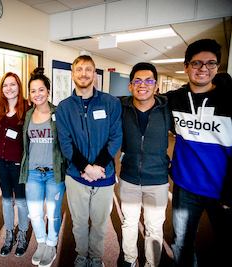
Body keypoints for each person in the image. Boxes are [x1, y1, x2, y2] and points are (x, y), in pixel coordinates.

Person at [166, 39, 232, 267]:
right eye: (197, 63)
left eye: (211, 63)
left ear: (217, 67)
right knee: (182, 244)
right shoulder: (175, 99)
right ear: (186, 66)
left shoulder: (230, 100)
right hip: (186, 187)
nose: (203, 68)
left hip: (223, 190)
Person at [56, 55, 123, 267]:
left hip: (104, 175)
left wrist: (98, 167)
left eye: (88, 69)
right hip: (77, 176)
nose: (84, 73)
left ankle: (95, 257)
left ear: (95, 74)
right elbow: (65, 143)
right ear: (72, 74)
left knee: (100, 223)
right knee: (79, 222)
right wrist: (85, 168)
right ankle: (81, 255)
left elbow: (116, 137)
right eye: (79, 69)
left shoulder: (111, 103)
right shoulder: (64, 107)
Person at [119, 62, 171, 267]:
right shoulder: (121, 107)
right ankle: (129, 259)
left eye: (148, 81)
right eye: (137, 81)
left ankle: (151, 263)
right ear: (130, 86)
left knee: (154, 227)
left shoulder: (167, 109)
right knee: (129, 223)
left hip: (157, 179)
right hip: (129, 177)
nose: (143, 85)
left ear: (156, 86)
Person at [19, 68, 66, 267]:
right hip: (33, 173)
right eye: (33, 91)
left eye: (41, 90)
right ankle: (41, 242)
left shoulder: (58, 113)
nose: (37, 94)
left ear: (48, 91)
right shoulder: (29, 114)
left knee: (53, 213)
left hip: (54, 172)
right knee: (35, 212)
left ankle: (52, 244)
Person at [0, 72, 29, 257]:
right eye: (5, 85)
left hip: (18, 164)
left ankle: (22, 233)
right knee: (6, 200)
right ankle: (9, 234)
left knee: (21, 201)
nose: (9, 88)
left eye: (12, 84)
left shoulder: (28, 107)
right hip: (1, 162)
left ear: (19, 86)